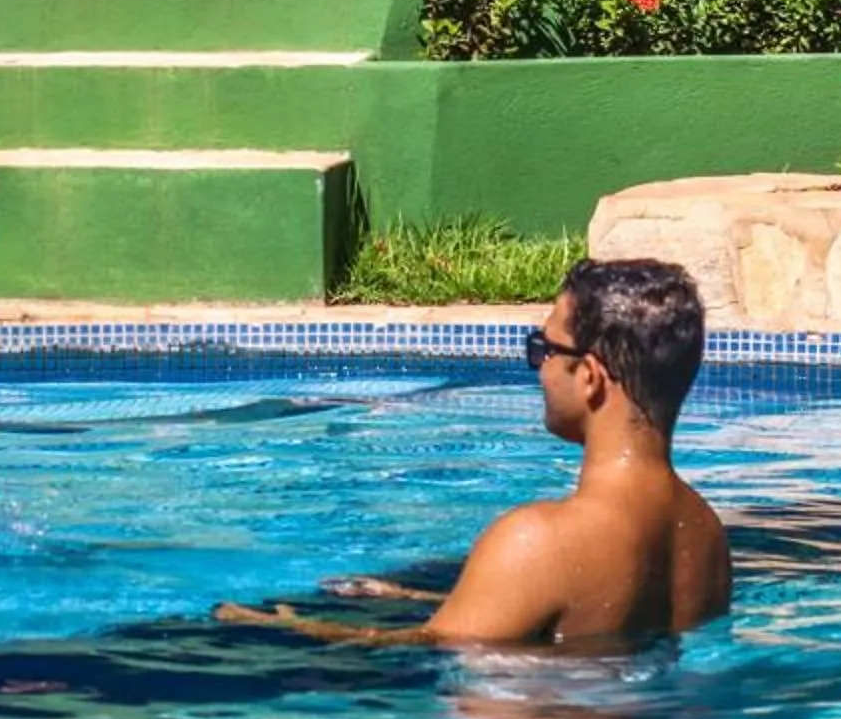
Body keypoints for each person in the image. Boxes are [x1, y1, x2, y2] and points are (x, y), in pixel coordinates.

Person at [218, 258, 732, 646]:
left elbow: (428, 649)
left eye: (545, 350)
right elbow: (597, 627)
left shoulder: (539, 540)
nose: (539, 368)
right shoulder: (704, 532)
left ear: (590, 377)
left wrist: (285, 627)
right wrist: (425, 599)